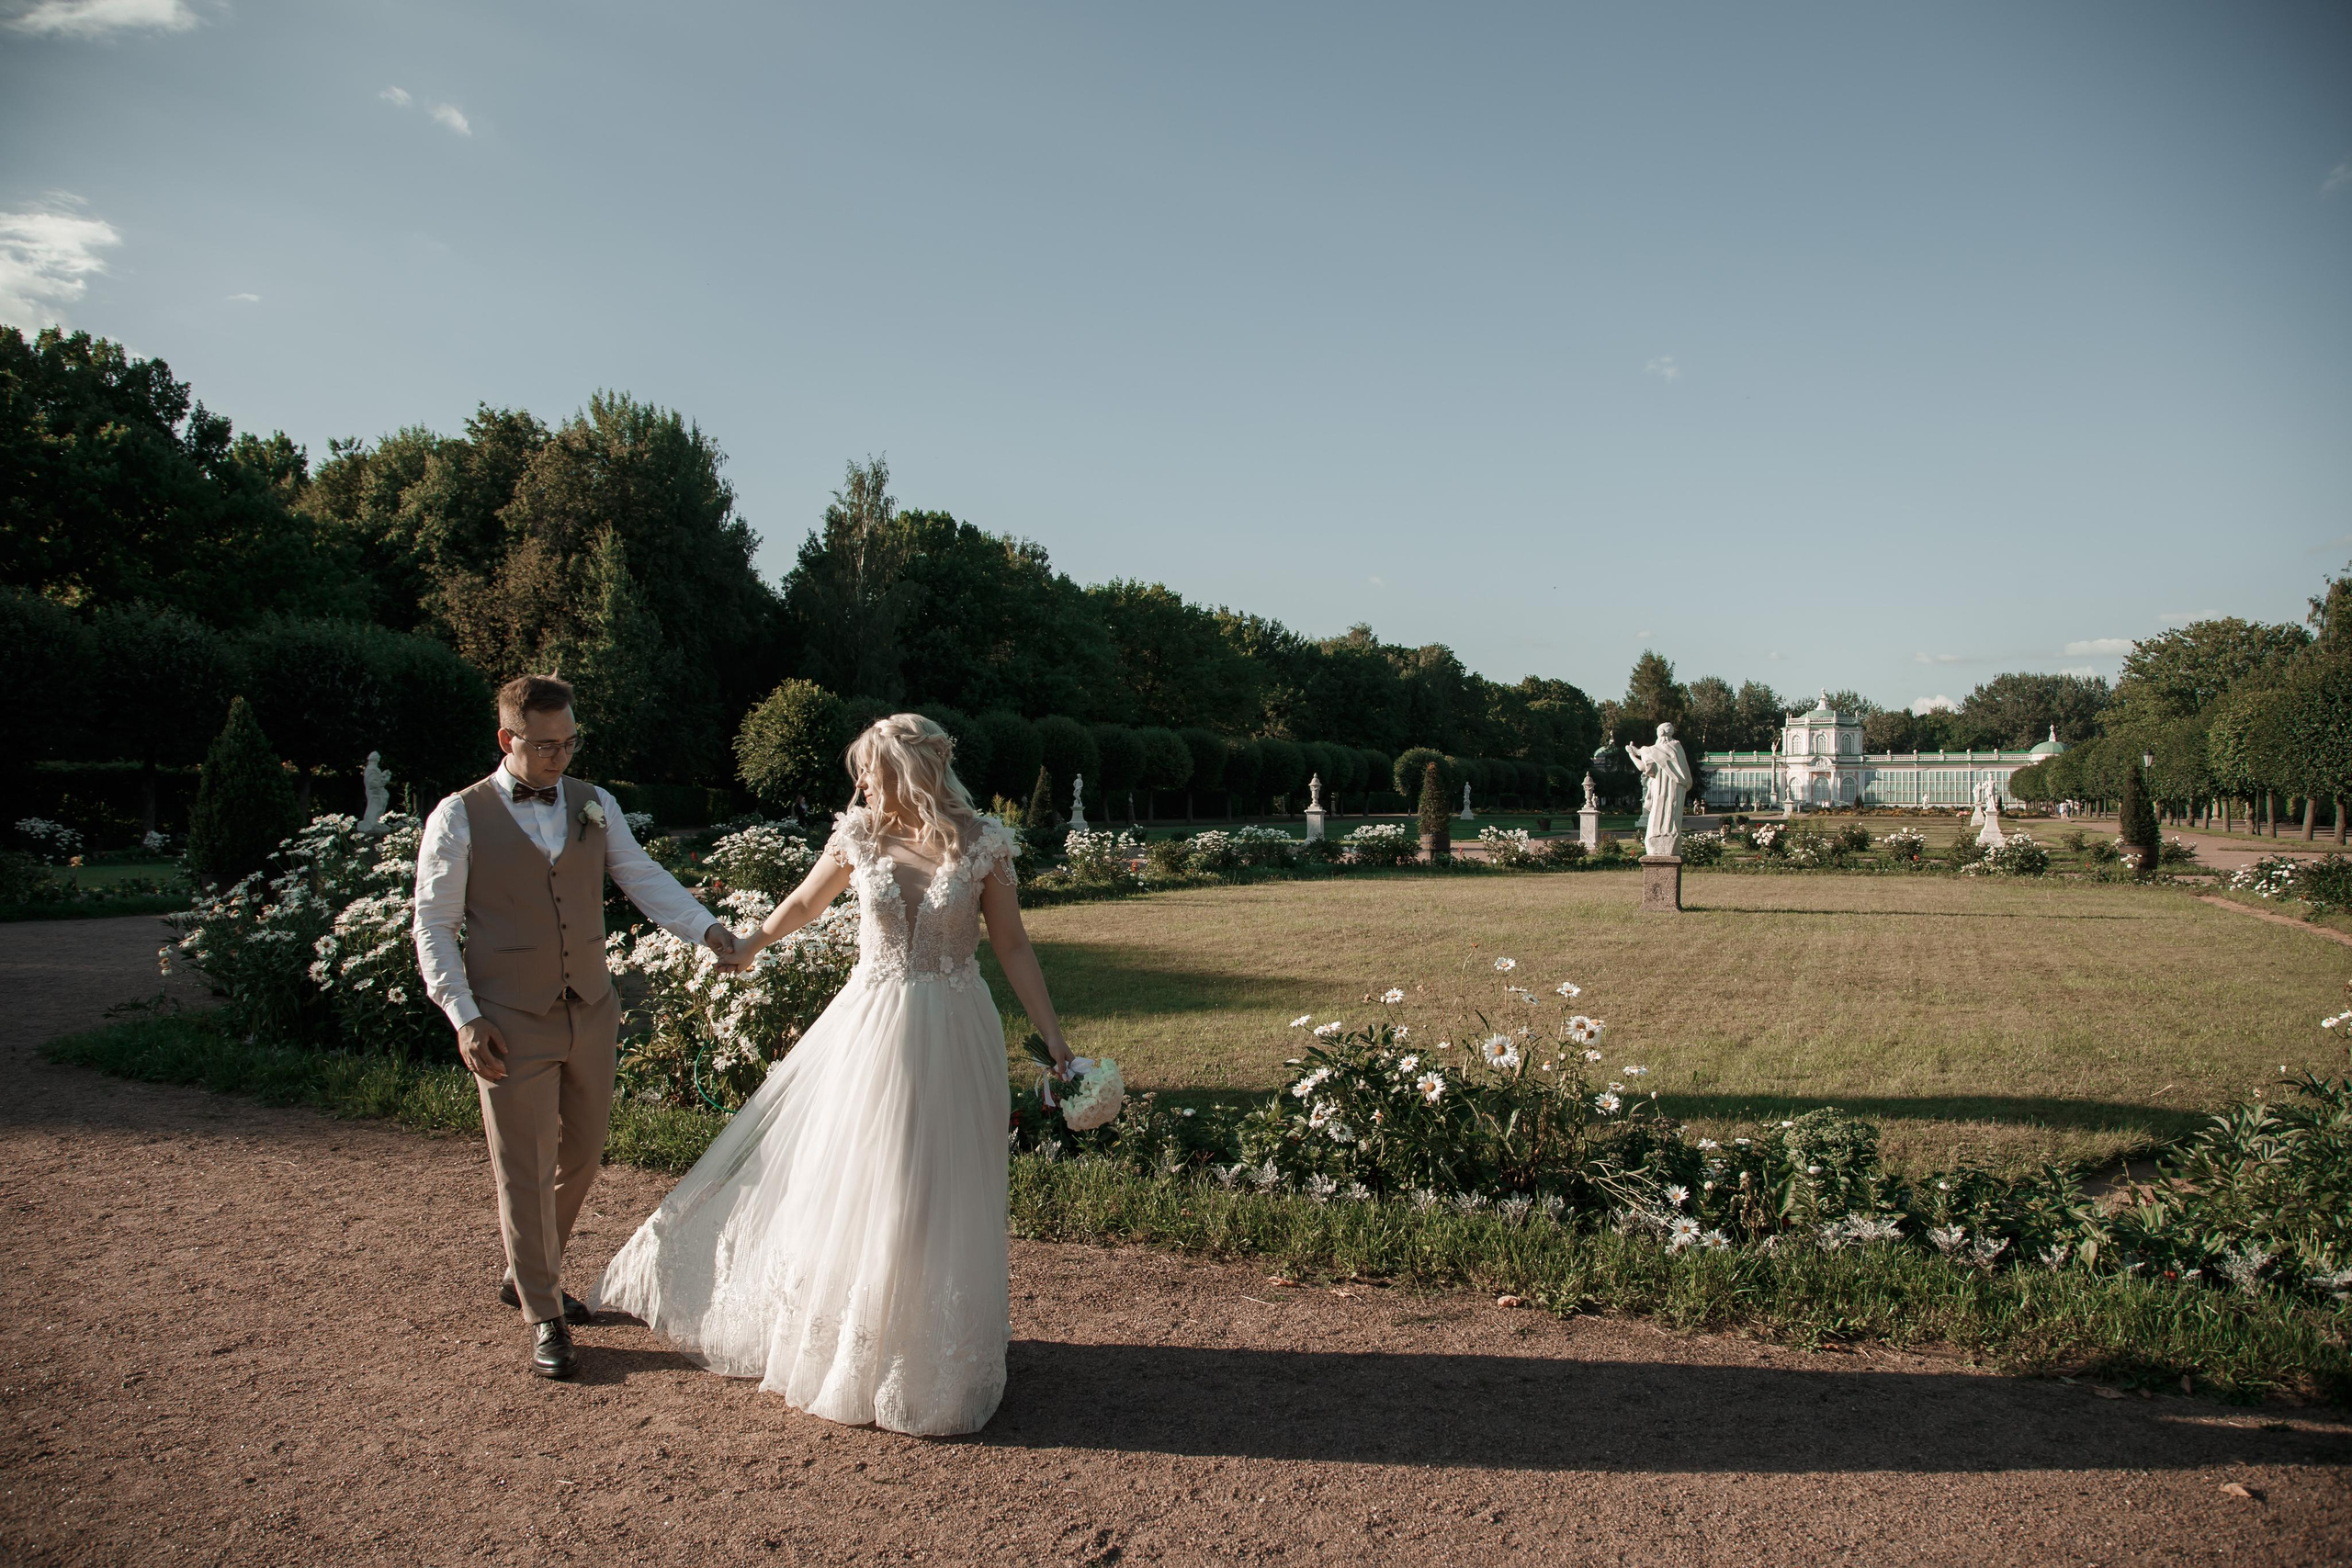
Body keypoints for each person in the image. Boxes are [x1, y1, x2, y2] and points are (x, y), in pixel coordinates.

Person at [594, 713, 1075, 1436]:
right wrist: (750, 942)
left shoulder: (983, 843)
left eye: (871, 772)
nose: (860, 784)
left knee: (937, 1182)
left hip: (954, 1028)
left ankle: (927, 1357)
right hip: (870, 1029)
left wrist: (1055, 1039)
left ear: (909, 773)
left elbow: (1011, 944)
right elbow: (802, 902)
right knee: (868, 1176)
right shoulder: (859, 835)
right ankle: (858, 1344)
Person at [412, 674, 737, 1380]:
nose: (562, 757)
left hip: (590, 1007)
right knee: (522, 1168)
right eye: (547, 745)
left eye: (571, 742)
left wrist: (706, 929)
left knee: (583, 1155)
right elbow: (434, 926)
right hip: (506, 1020)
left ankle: (523, 1271)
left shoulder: (595, 804)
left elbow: (641, 875)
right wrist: (464, 1016)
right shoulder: (459, 816)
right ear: (508, 739)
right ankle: (543, 1310)